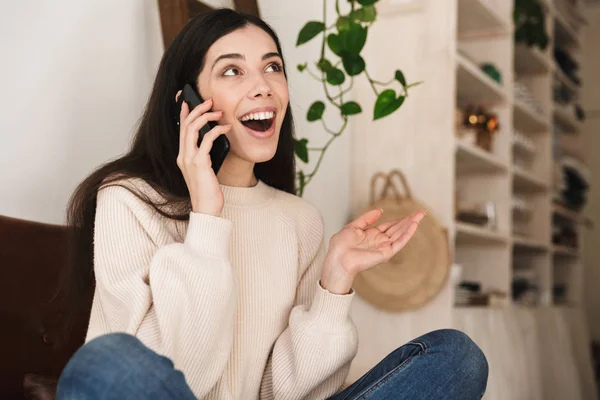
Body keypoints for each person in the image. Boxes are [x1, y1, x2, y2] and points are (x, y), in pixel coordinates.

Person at [56, 8, 488, 400]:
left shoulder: (298, 220)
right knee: (108, 360)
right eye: (232, 71)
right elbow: (169, 376)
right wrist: (207, 217)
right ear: (187, 102)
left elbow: (285, 393)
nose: (262, 86)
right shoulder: (129, 198)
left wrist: (334, 284)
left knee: (458, 357)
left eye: (272, 67)